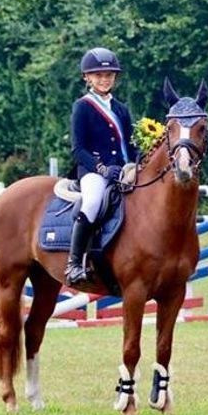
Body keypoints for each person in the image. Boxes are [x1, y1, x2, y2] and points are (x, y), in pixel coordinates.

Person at [66, 47, 139, 286]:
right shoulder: (83, 107)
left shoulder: (121, 109)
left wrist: (138, 163)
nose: (104, 79)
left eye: (109, 75)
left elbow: (129, 143)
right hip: (94, 171)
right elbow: (78, 149)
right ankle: (74, 263)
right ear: (87, 77)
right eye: (98, 75)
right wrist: (103, 169)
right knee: (93, 202)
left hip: (123, 169)